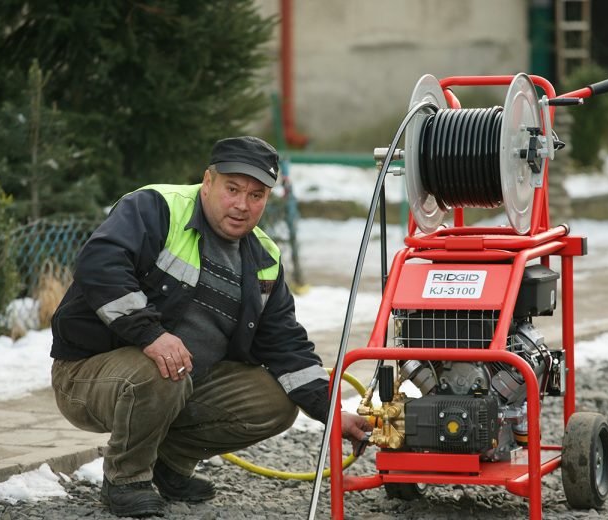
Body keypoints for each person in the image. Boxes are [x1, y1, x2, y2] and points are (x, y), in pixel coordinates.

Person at [50, 136, 372, 517]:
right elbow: (99, 266)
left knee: (276, 402)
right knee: (163, 369)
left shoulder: (264, 258)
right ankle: (126, 479)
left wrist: (332, 412)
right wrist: (151, 334)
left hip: (181, 383)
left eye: (256, 195)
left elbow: (285, 345)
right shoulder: (157, 208)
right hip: (87, 375)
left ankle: (171, 465)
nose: (242, 205)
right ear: (207, 181)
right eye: (232, 189)